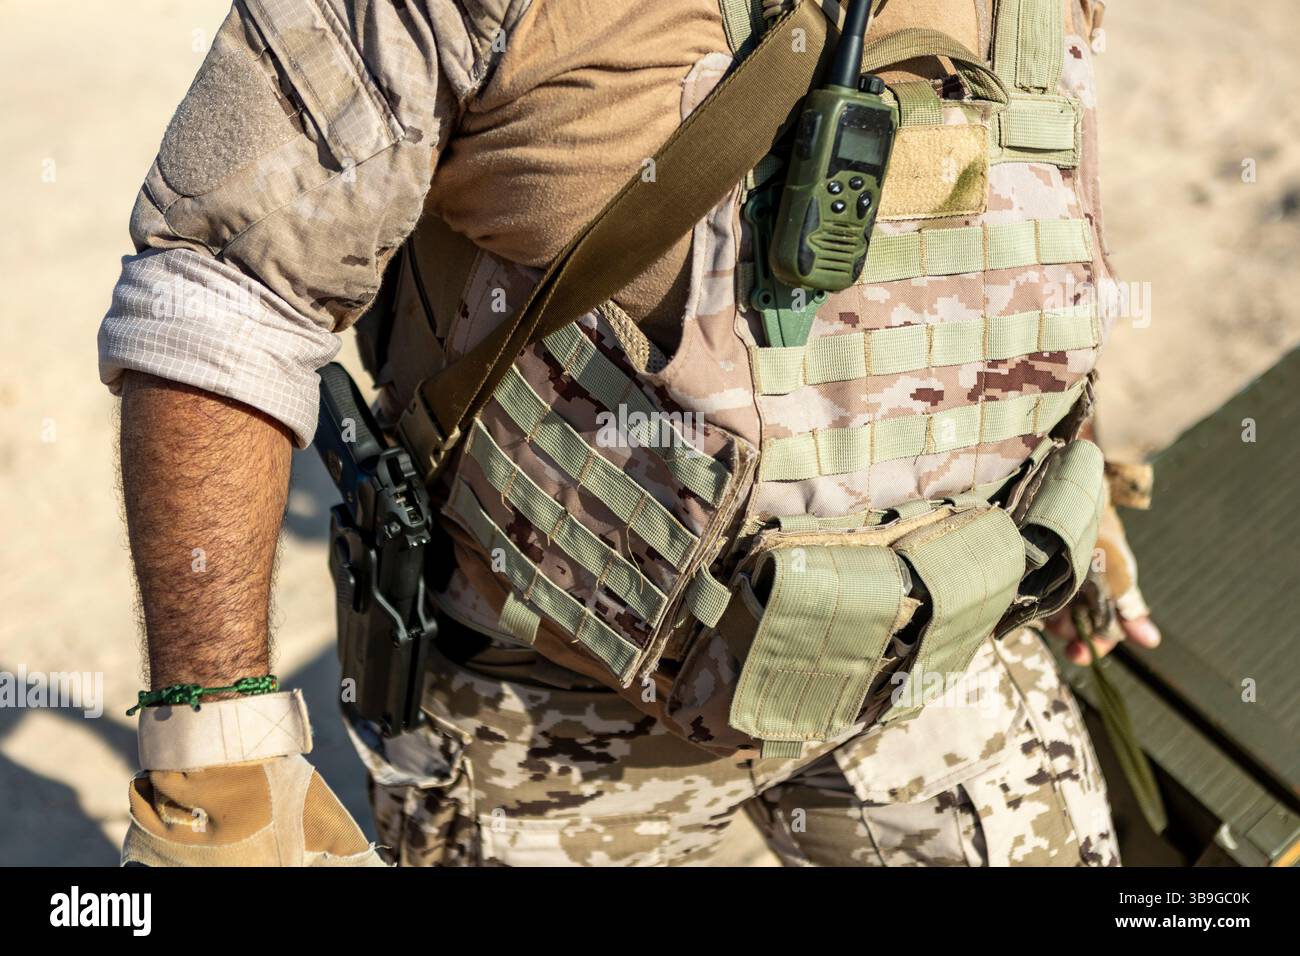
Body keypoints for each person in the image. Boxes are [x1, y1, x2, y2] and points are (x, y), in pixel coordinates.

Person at [102, 0, 1159, 867]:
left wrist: (1065, 473)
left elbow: (1030, 221)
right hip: (553, 724)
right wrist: (216, 753)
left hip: (932, 643)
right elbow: (220, 295)